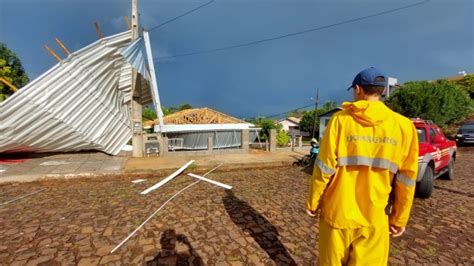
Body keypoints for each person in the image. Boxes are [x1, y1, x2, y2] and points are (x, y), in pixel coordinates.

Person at [306, 67, 418, 265]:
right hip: (374, 217)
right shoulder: (404, 126)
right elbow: (407, 179)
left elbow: (323, 168)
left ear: (358, 89)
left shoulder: (340, 121)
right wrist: (399, 218)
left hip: (337, 214)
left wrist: (313, 202)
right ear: (382, 90)